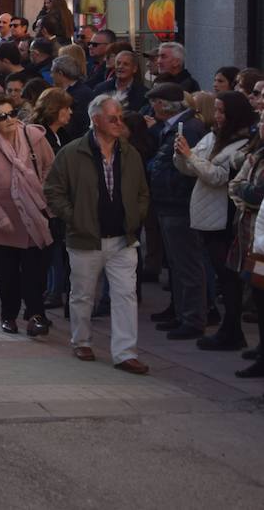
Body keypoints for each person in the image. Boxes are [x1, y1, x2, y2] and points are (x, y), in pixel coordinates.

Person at [43, 95, 151, 373]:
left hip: (122, 239)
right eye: (112, 118)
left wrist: (136, 216)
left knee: (126, 294)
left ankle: (125, 352)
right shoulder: (72, 152)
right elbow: (53, 190)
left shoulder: (129, 153)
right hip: (85, 238)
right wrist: (74, 217)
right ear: (96, 120)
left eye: (120, 118)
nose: (119, 123)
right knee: (82, 294)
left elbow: (142, 191)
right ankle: (81, 340)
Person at [174, 90, 254, 351]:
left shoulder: (242, 144)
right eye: (216, 110)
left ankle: (232, 331)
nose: (217, 116)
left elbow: (219, 176)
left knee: (229, 278)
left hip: (224, 218)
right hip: (207, 215)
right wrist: (182, 154)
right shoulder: (213, 136)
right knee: (223, 275)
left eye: (222, 112)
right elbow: (190, 167)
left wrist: (190, 156)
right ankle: (230, 330)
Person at [0, 94, 56, 336]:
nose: (9, 120)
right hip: (3, 221)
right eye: (2, 116)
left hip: (34, 216)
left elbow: (51, 166)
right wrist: (0, 217)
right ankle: (8, 316)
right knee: (7, 275)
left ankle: (37, 315)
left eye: (12, 114)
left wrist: (41, 189)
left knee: (35, 272)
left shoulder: (33, 136)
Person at [145, 82, 210, 341]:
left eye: (156, 102)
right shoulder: (171, 128)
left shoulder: (188, 128)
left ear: (164, 105)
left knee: (187, 263)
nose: (153, 107)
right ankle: (181, 310)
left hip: (180, 204)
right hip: (168, 202)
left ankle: (193, 317)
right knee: (176, 262)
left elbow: (186, 166)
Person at [227, 116, 264, 378]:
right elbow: (237, 186)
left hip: (260, 234)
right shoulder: (258, 153)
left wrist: (248, 192)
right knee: (258, 293)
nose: (260, 125)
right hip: (254, 235)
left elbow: (255, 194)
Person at [94, 49, 148, 114]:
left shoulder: (144, 94)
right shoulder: (101, 89)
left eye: (126, 64)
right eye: (118, 63)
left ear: (134, 69)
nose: (120, 66)